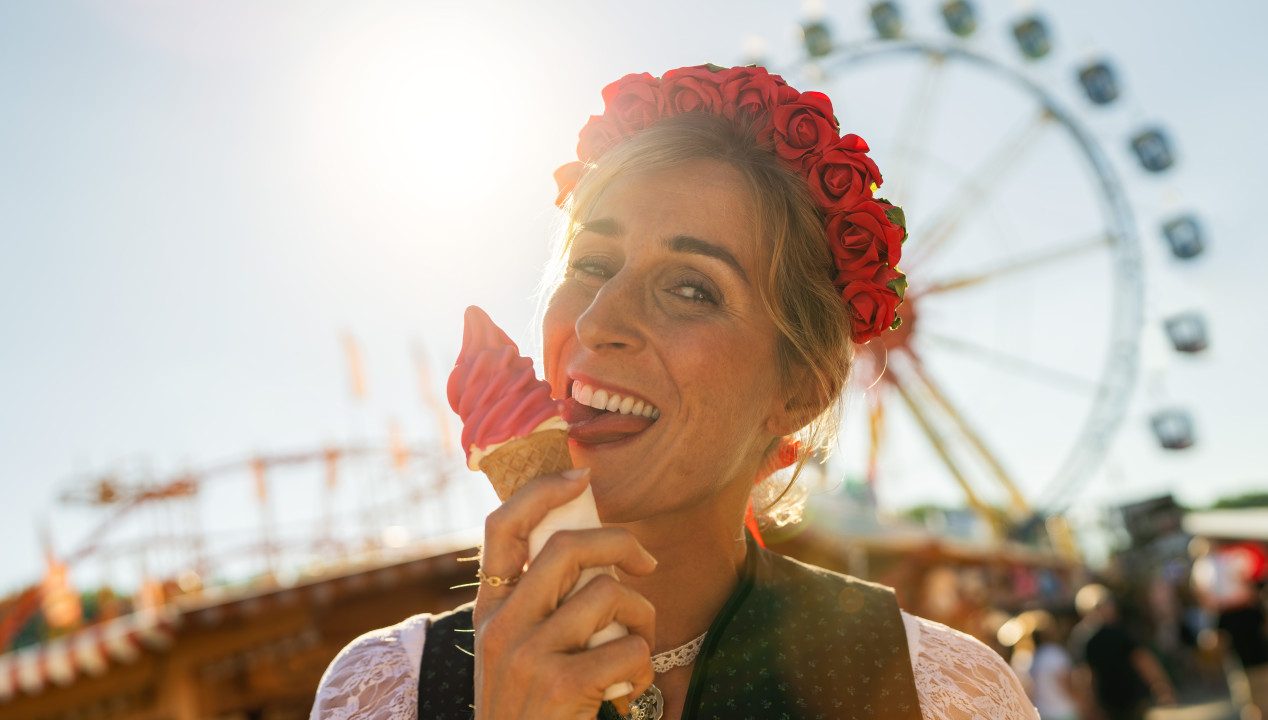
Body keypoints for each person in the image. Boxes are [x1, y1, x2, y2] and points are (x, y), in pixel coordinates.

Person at [309, 65, 1036, 720]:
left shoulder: (938, 691)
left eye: (691, 288)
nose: (598, 323)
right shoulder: (391, 688)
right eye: (592, 263)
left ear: (799, 391)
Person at [1069, 584, 1175, 720]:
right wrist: (1161, 685)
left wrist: (1090, 706)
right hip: (1131, 698)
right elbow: (1142, 660)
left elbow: (1085, 676)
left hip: (1108, 702)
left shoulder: (1082, 639)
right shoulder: (1120, 632)